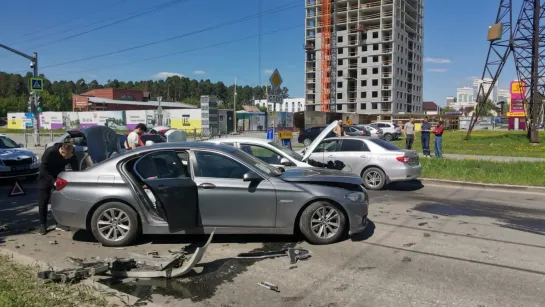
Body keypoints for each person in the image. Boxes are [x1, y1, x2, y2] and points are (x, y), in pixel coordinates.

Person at [38, 143, 79, 235]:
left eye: (70, 155)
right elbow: (43, 169)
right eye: (67, 156)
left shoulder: (71, 152)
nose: (69, 158)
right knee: (43, 201)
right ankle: (43, 225)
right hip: (45, 177)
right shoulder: (50, 152)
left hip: (59, 176)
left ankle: (59, 223)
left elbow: (75, 165)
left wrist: (77, 177)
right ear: (62, 151)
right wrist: (53, 181)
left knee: (59, 201)